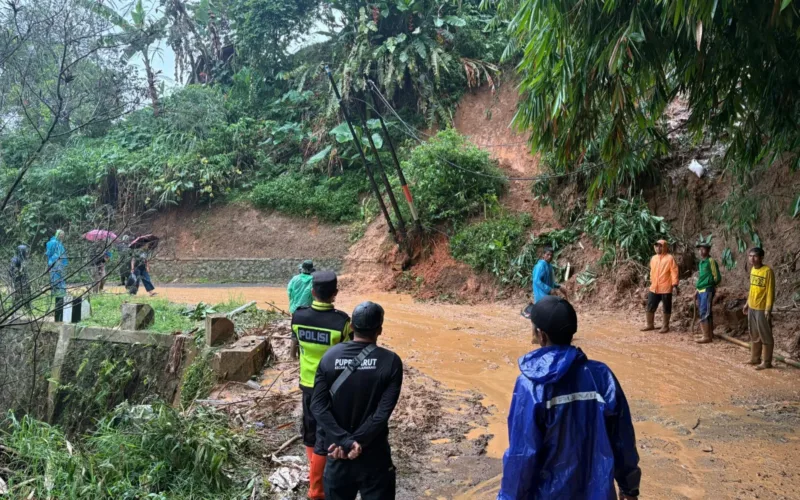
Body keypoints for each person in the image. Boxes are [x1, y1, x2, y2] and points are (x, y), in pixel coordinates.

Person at [499, 296, 641, 499]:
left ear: (541, 335)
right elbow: (623, 439)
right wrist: (629, 488)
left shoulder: (530, 385)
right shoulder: (601, 376)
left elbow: (522, 456)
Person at [311, 301, 402, 500]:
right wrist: (356, 442)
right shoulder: (391, 362)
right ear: (380, 330)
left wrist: (344, 441)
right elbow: (381, 414)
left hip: (337, 452)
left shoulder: (328, 357)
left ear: (351, 327)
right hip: (374, 455)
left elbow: (318, 406)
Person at [291, 271, 353, 499]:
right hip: (333, 388)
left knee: (309, 433)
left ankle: (315, 469)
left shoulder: (298, 318)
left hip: (308, 385)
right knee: (325, 433)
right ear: (335, 293)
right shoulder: (342, 322)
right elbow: (349, 354)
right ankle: (317, 488)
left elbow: (296, 345)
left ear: (312, 292)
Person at [742, 248, 775, 370]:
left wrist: (768, 309)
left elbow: (770, 291)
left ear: (761, 257)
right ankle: (755, 358)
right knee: (754, 333)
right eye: (750, 256)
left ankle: (767, 362)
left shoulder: (767, 271)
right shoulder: (752, 270)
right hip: (752, 306)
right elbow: (752, 289)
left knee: (765, 335)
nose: (752, 258)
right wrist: (747, 303)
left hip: (762, 308)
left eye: (755, 256)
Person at [642, 239, 679, 333]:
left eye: (660, 246)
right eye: (657, 246)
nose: (658, 248)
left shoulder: (670, 258)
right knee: (650, 305)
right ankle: (650, 324)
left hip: (665, 287)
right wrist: (651, 281)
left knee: (666, 307)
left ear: (665, 247)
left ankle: (665, 326)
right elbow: (652, 272)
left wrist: (674, 284)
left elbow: (674, 271)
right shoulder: (653, 258)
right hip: (654, 287)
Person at [693, 241, 722, 344]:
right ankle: (709, 334)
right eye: (699, 249)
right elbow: (702, 277)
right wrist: (697, 289)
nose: (701, 251)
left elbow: (717, 277)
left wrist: (710, 284)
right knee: (705, 311)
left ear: (708, 250)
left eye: (703, 249)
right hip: (701, 289)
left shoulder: (711, 261)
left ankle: (706, 336)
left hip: (707, 289)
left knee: (704, 311)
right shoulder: (701, 263)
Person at [45, 230, 68, 322]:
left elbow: (63, 255)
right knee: (55, 284)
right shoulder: (53, 243)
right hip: (54, 265)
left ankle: (61, 304)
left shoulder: (60, 244)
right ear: (57, 235)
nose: (62, 237)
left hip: (59, 266)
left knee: (60, 283)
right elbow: (49, 253)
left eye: (63, 235)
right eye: (61, 235)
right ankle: (54, 306)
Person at [9, 244, 30, 312]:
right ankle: (15, 308)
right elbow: (12, 271)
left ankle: (27, 306)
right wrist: (19, 271)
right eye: (25, 251)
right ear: (21, 251)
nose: (26, 252)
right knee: (18, 293)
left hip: (24, 279)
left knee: (27, 292)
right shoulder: (15, 259)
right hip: (18, 279)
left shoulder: (24, 259)